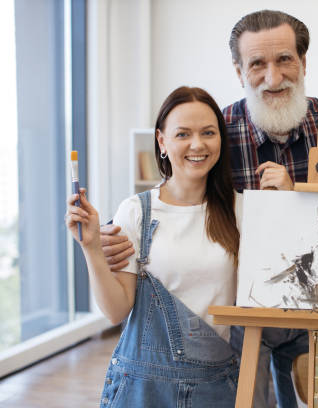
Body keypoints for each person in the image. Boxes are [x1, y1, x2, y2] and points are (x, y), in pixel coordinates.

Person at [100, 10, 318, 408]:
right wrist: (119, 231)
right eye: (257, 63)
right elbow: (178, 190)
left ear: (304, 63)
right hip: (241, 321)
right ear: (239, 71)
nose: (272, 78)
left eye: (284, 59)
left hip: (313, 315)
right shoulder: (219, 130)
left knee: (313, 402)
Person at [66, 86, 241, 407]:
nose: (197, 144)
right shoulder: (136, 211)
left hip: (216, 388)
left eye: (208, 133)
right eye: (183, 134)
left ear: (220, 139)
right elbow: (116, 310)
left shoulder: (240, 211)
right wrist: (90, 248)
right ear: (162, 141)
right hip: (142, 391)